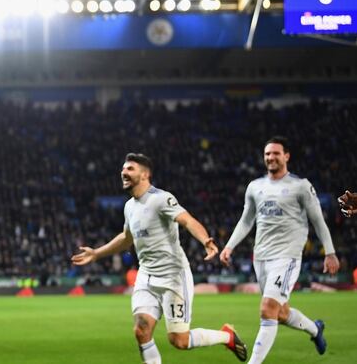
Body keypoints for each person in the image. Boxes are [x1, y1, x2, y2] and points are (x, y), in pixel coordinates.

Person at [71, 153, 247, 364]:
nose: (123, 172)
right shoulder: (129, 206)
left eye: (130, 169)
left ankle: (227, 336)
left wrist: (205, 240)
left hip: (173, 276)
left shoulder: (161, 199)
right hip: (146, 276)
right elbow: (126, 238)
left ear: (145, 175)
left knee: (179, 340)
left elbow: (187, 220)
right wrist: (96, 253)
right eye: (123, 169)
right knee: (141, 331)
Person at [220, 136, 339, 363]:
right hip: (261, 257)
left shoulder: (301, 186)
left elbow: (318, 220)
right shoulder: (255, 187)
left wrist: (330, 252)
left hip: (287, 256)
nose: (271, 157)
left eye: (275, 153)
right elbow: (246, 220)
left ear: (286, 156)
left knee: (268, 308)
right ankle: (315, 329)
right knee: (281, 313)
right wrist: (229, 246)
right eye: (267, 154)